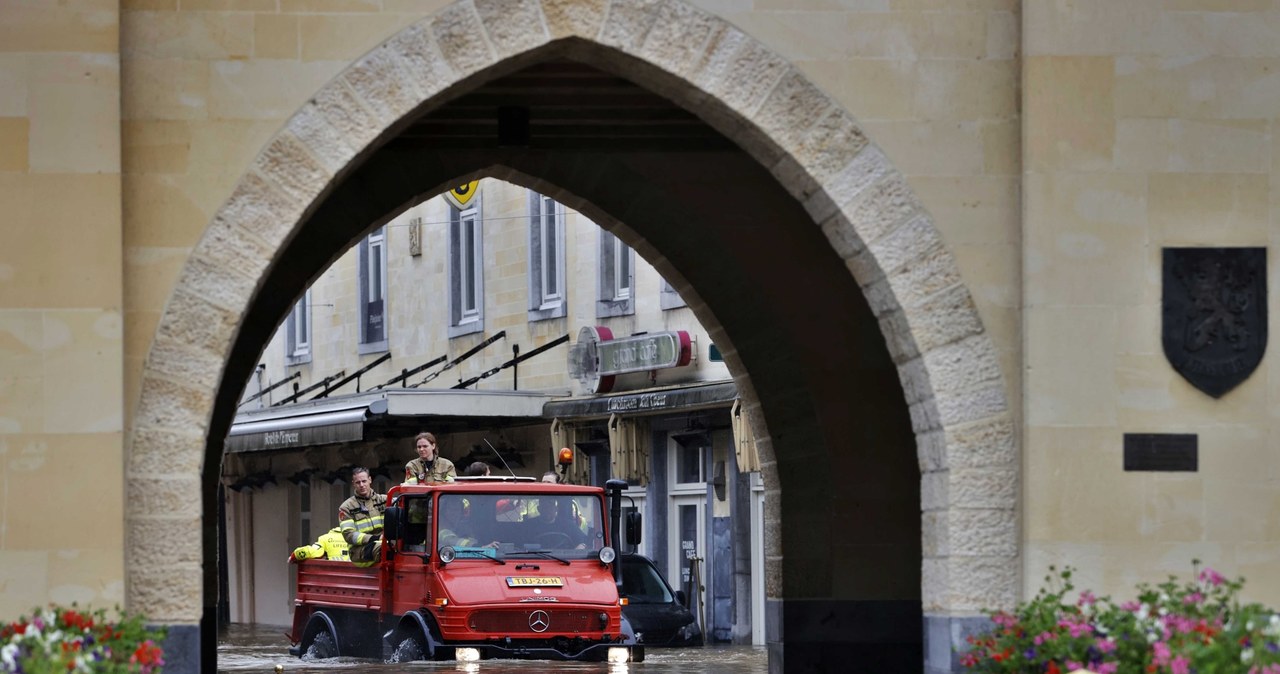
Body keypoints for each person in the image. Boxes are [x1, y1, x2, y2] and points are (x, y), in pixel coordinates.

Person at [338, 467, 386, 567]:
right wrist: (375, 538)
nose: (361, 485)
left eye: (364, 481)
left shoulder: (385, 500)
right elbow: (349, 535)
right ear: (353, 484)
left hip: (383, 543)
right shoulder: (346, 507)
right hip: (359, 550)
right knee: (385, 549)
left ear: (370, 480)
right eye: (358, 482)